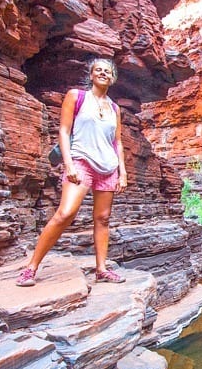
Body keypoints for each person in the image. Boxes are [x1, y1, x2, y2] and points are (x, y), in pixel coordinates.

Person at [16, 58, 128, 286]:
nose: (103, 73)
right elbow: (64, 131)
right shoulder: (76, 96)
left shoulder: (114, 108)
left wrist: (122, 172)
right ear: (91, 75)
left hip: (108, 167)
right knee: (66, 213)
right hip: (81, 161)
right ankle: (31, 267)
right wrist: (68, 163)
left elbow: (117, 142)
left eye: (107, 71)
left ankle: (101, 269)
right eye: (99, 70)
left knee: (103, 218)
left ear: (113, 78)